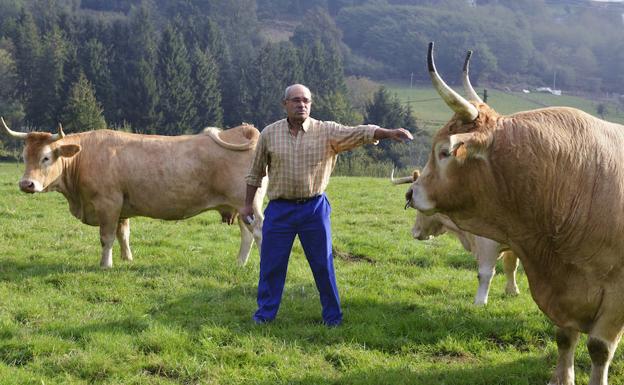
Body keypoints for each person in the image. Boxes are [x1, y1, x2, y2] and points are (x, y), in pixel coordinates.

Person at [240, 84, 413, 327]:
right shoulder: (269, 133)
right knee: (271, 264)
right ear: (285, 104)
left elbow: (359, 132)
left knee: (323, 264)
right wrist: (247, 205)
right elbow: (255, 172)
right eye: (296, 100)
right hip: (279, 210)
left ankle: (332, 318)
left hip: (314, 208)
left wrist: (389, 132)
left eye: (306, 101)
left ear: (310, 104)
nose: (301, 104)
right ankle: (265, 315)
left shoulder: (326, 131)